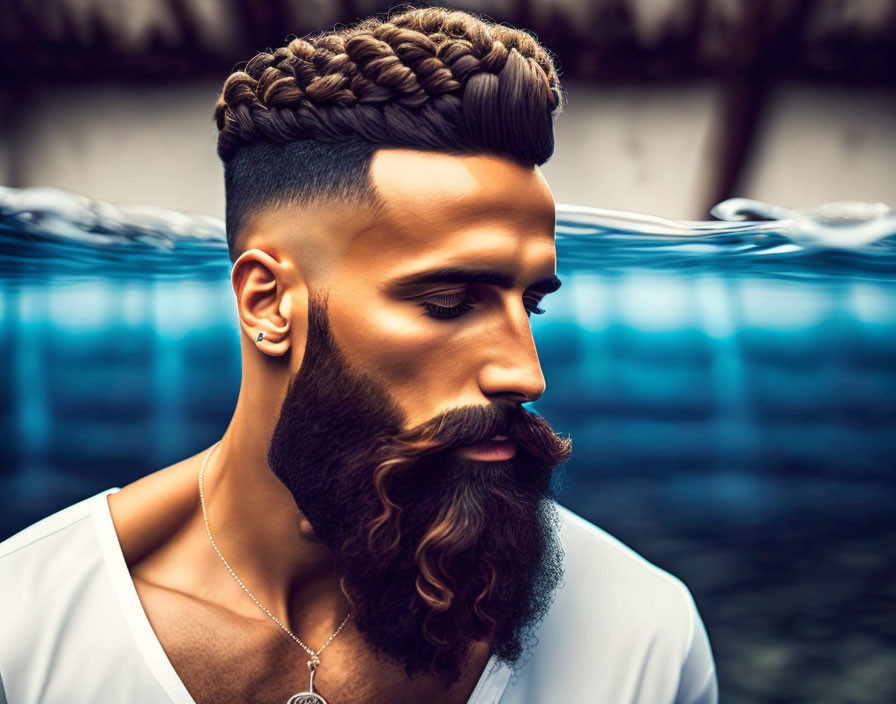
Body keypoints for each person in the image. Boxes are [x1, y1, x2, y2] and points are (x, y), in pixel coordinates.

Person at [0, 6, 717, 704]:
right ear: (268, 304)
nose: (525, 374)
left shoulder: (642, 638)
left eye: (530, 304)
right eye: (449, 303)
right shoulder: (25, 635)